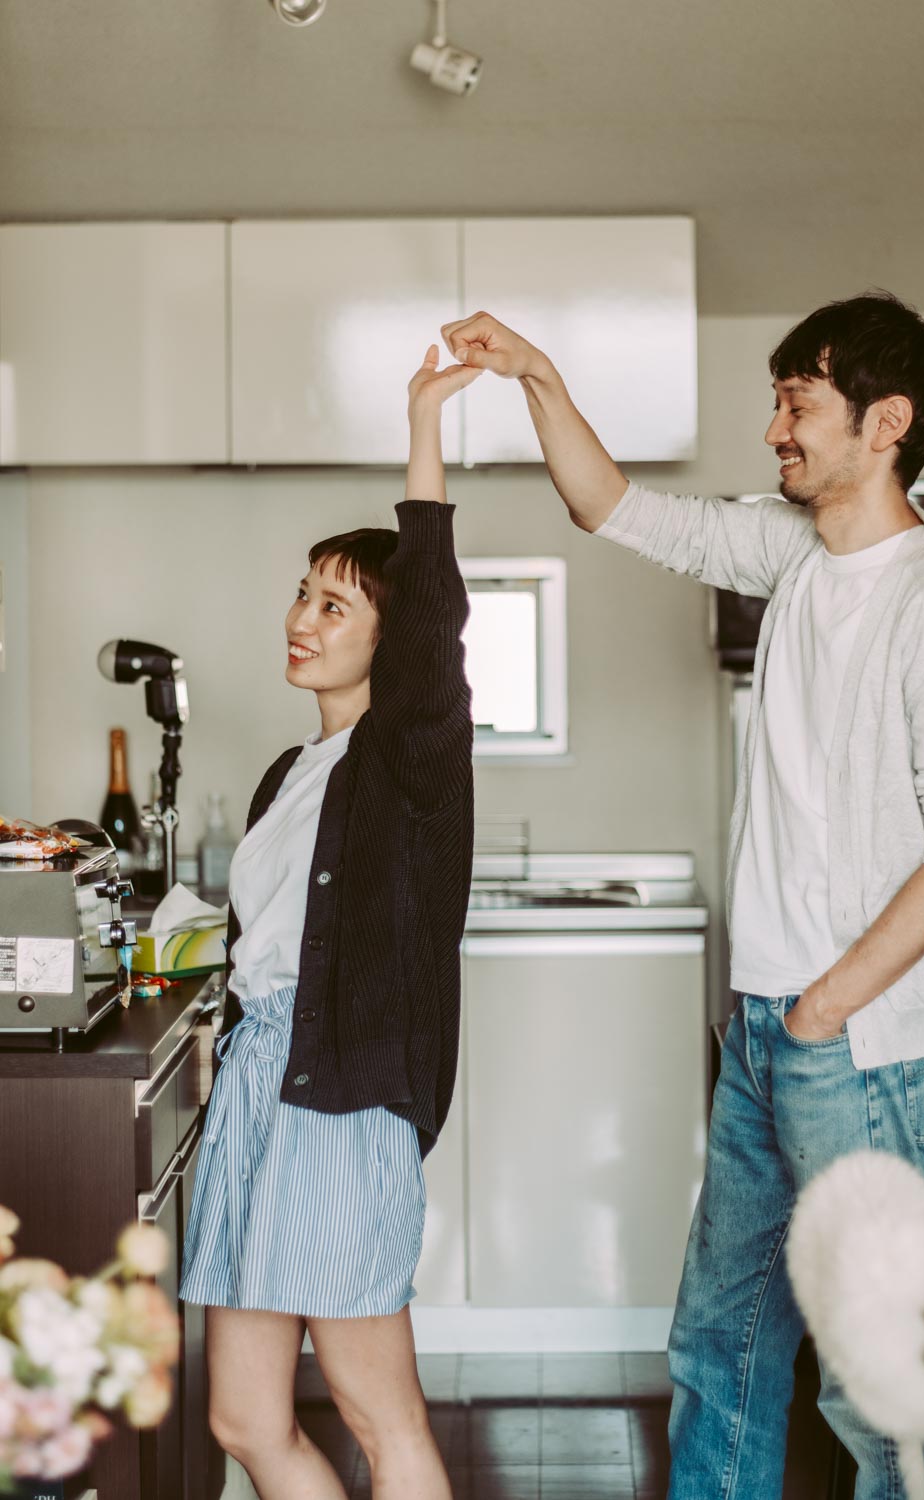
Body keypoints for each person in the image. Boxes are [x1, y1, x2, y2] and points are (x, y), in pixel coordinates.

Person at [438, 293, 924, 1500]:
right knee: (720, 1348)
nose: (774, 430)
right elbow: (612, 507)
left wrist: (820, 1010)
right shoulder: (795, 555)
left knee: (872, 1389)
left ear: (887, 422)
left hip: (853, 1047)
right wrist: (537, 370)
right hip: (765, 1029)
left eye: (798, 403)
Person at [179, 345, 480, 1500]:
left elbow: (436, 616)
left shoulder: (409, 755)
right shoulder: (290, 770)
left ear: (387, 639)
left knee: (375, 1411)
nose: (303, 617)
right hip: (263, 1084)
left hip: (347, 1101)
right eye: (305, 592)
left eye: (335, 602)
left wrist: (420, 425)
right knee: (244, 1417)